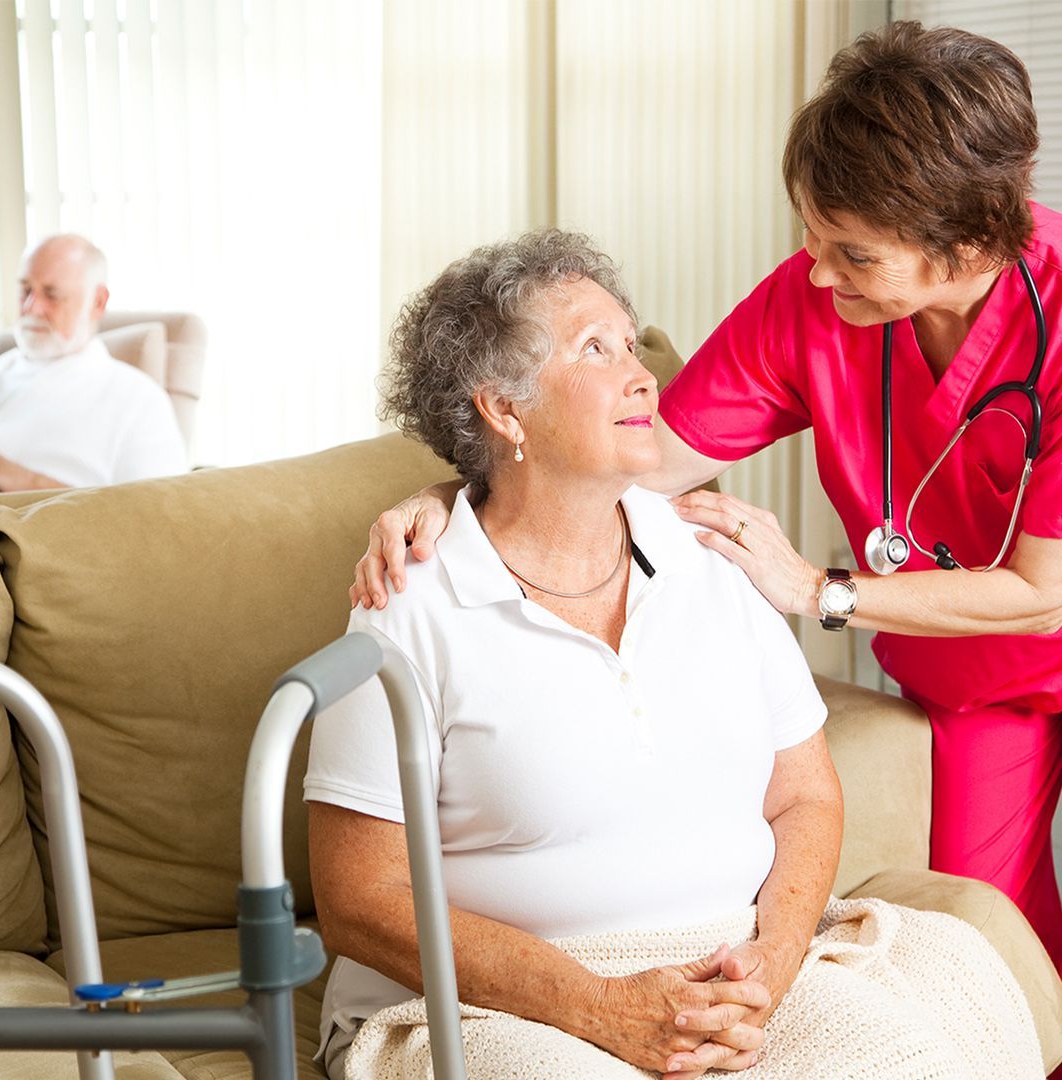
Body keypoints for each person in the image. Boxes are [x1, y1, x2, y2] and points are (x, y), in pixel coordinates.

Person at [351, 22, 1062, 976]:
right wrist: (464, 486)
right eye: (811, 235)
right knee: (996, 948)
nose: (816, 270)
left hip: (1027, 607)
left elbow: (1044, 589)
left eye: (853, 253)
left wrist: (819, 591)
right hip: (979, 673)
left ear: (971, 238)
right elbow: (630, 456)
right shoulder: (816, 300)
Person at [307, 230, 1040, 1080]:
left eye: (631, 340)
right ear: (505, 411)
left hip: (728, 965)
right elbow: (361, 904)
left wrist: (774, 959)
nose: (644, 373)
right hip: (497, 1005)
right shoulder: (410, 602)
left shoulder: (711, 555)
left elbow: (805, 794)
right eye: (596, 349)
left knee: (906, 1054)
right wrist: (600, 1008)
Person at [0, 234, 187, 490]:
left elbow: (155, 515)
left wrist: (8, 474)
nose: (31, 308)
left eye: (52, 294)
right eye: (25, 290)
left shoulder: (138, 401)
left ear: (98, 301)